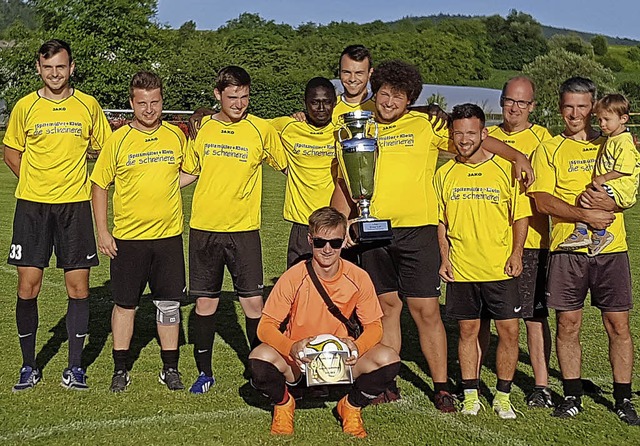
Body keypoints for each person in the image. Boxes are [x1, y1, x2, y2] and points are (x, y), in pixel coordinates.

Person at [331, 60, 534, 412]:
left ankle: (441, 386)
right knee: (385, 308)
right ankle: (386, 379)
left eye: (398, 96)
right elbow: (345, 179)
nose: (389, 102)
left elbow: (470, 144)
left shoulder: (426, 124)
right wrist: (340, 223)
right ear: (373, 92)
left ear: (409, 99)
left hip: (419, 232)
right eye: (383, 94)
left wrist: (516, 155)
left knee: (425, 310)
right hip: (374, 230)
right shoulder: (356, 125)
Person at [528, 77, 639, 425]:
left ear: (593, 108)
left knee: (618, 325)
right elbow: (543, 200)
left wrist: (609, 202)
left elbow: (630, 187)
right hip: (568, 249)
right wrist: (585, 214)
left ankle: (623, 398)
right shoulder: (549, 148)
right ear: (560, 108)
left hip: (611, 249)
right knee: (568, 324)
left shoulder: (612, 142)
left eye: (582, 106)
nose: (575, 114)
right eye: (568, 106)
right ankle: (572, 394)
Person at [3, 39, 111, 391]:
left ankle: (75, 367)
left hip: (76, 207)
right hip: (32, 209)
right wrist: (38, 183)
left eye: (60, 67)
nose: (54, 74)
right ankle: (29, 366)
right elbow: (11, 152)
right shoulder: (25, 106)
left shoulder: (88, 106)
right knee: (27, 286)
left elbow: (104, 149)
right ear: (39, 68)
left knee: (78, 288)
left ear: (71, 68)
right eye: (48, 67)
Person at [181, 66, 287, 394]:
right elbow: (187, 173)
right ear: (218, 95)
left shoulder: (261, 129)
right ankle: (205, 373)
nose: (240, 104)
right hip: (204, 230)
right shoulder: (203, 129)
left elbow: (286, 165)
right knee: (205, 305)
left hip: (244, 232)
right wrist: (147, 185)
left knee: (253, 305)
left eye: (244, 96)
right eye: (232, 97)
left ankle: (259, 371)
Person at [249, 206, 400, 437]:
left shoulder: (358, 277)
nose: (327, 249)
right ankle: (284, 404)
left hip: (341, 362)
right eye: (320, 242)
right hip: (299, 360)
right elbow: (265, 326)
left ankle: (350, 406)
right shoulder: (294, 276)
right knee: (259, 359)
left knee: (388, 359)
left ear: (343, 242)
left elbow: (374, 327)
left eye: (335, 243)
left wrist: (356, 347)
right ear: (310, 240)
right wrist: (291, 347)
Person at [91, 71, 189, 392]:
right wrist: (103, 232)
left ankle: (170, 368)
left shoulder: (176, 135)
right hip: (128, 240)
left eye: (155, 102)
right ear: (132, 102)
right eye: (142, 103)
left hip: (168, 238)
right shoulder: (117, 141)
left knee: (169, 305)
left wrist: (165, 188)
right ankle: (120, 369)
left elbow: (190, 170)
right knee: (125, 305)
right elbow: (99, 185)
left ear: (162, 101)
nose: (149, 109)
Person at [436, 103, 531, 419]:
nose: (464, 139)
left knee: (509, 333)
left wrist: (517, 254)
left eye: (471, 133)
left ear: (484, 134)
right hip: (462, 269)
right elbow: (442, 222)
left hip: (499, 268)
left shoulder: (505, 170)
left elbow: (520, 217)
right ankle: (471, 394)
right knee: (467, 332)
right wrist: (445, 258)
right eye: (458, 133)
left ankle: (503, 395)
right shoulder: (444, 174)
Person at [483, 76, 554, 408]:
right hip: (488, 240)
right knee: (482, 315)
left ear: (532, 106)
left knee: (533, 315)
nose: (514, 108)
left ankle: (541, 384)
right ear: (501, 101)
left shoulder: (543, 139)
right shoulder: (487, 136)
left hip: (532, 241)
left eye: (522, 103)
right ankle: (472, 379)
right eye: (509, 100)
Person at [558, 93, 640, 256]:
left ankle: (584, 233)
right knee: (588, 199)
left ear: (623, 119)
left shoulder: (624, 142)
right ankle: (598, 234)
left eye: (607, 120)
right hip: (614, 186)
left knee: (586, 199)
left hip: (620, 188)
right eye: (599, 120)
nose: (602, 124)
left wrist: (603, 178)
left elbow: (625, 168)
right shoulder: (613, 138)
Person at [271, 77, 338, 268]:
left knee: (337, 288)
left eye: (326, 102)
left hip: (335, 220)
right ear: (305, 103)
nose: (321, 108)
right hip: (303, 223)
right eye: (314, 102)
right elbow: (250, 125)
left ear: (334, 103)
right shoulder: (289, 126)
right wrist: (205, 113)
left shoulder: (342, 130)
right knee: (299, 285)